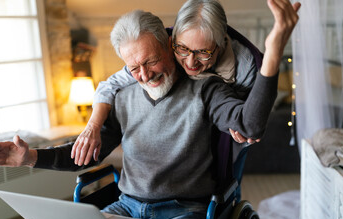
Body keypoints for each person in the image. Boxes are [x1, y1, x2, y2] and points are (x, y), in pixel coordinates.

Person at [0, 5, 300, 219]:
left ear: (169, 45)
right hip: (126, 207)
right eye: (134, 68)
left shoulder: (207, 89)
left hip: (183, 213)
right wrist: (30, 157)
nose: (145, 75)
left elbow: (249, 126)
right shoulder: (123, 97)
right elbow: (84, 154)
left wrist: (272, 53)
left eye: (151, 61)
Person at [71, 0, 301, 167]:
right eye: (182, 49)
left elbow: (251, 120)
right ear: (173, 39)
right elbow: (109, 86)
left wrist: (273, 53)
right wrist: (92, 127)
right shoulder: (159, 51)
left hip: (222, 121)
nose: (190, 62)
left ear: (220, 43)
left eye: (202, 53)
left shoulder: (246, 66)